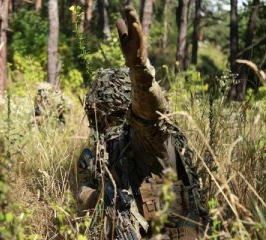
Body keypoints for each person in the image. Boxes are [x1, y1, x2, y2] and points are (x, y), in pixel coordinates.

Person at [78, 6, 208, 240]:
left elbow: (150, 114)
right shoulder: (108, 150)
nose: (102, 123)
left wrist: (139, 70)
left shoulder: (146, 137)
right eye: (98, 118)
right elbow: (86, 195)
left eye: (106, 116)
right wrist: (100, 196)